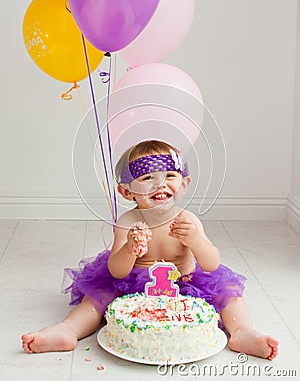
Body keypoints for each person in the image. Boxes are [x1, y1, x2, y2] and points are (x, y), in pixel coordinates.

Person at [22, 140, 279, 359]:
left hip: (187, 282)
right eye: (147, 178)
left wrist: (196, 241)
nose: (160, 185)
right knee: (98, 295)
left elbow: (211, 263)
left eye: (169, 176)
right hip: (134, 286)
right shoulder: (128, 222)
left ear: (184, 183)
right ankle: (68, 330)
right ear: (126, 191)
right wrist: (130, 249)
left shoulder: (187, 219)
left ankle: (243, 332)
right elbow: (117, 271)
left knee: (229, 293)